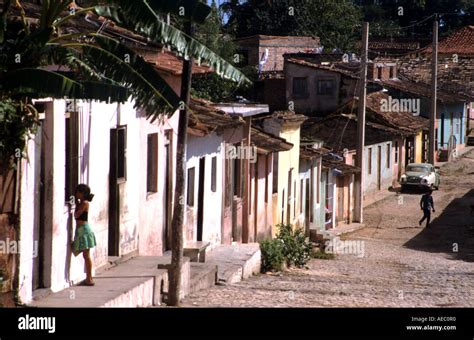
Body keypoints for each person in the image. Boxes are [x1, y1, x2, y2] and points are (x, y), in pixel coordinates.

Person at [72, 184, 97, 286]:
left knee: (86, 255)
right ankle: (89, 277)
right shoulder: (82, 203)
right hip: (80, 230)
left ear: (82, 194)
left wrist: (76, 205)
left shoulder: (85, 203)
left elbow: (76, 215)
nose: (76, 194)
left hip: (84, 230)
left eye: (78, 192)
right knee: (82, 253)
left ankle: (89, 278)